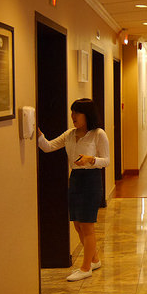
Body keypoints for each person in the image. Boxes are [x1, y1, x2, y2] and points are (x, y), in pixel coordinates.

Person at [37, 98, 109, 282]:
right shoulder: (70, 134)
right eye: (72, 112)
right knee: (77, 224)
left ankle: (85, 268)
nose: (73, 116)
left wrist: (91, 159)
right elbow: (48, 147)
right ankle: (94, 260)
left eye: (77, 112)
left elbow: (106, 160)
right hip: (76, 178)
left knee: (87, 226)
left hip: (91, 180)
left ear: (87, 115)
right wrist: (37, 133)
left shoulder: (98, 134)